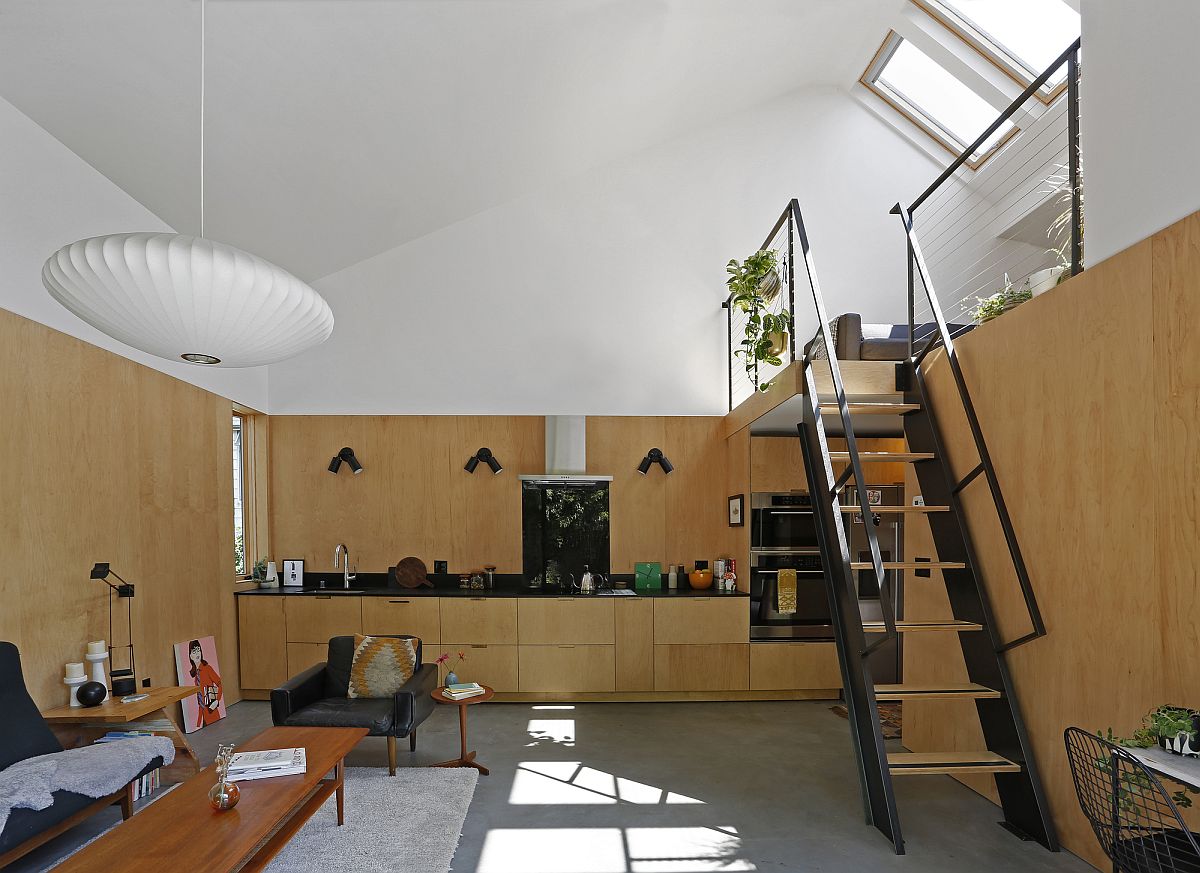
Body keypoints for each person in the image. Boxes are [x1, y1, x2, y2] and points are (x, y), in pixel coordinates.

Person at [187, 639, 223, 729]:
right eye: (194, 651)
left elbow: (219, 684)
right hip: (202, 714)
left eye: (198, 650)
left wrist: (217, 700)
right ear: (190, 656)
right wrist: (198, 723)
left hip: (211, 711)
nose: (197, 653)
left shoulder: (207, 668)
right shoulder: (196, 674)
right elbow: (200, 698)